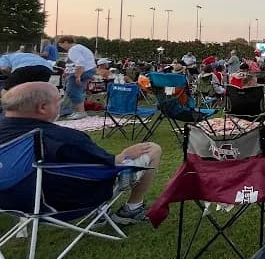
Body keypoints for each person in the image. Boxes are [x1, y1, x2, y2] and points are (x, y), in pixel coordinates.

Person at [0, 82, 162, 224]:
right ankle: (132, 208)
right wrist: (124, 155)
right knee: (153, 149)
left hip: (9, 203)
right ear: (42, 108)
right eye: (58, 101)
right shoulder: (61, 138)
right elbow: (107, 165)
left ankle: (101, 212)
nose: (61, 105)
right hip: (62, 204)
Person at [56, 36, 97, 120]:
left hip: (83, 71)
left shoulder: (73, 50)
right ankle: (77, 111)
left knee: (72, 91)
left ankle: (80, 112)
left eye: (61, 45)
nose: (62, 47)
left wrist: (78, 76)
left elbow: (80, 62)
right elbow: (74, 63)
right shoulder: (79, 47)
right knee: (77, 91)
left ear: (66, 42)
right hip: (89, 70)